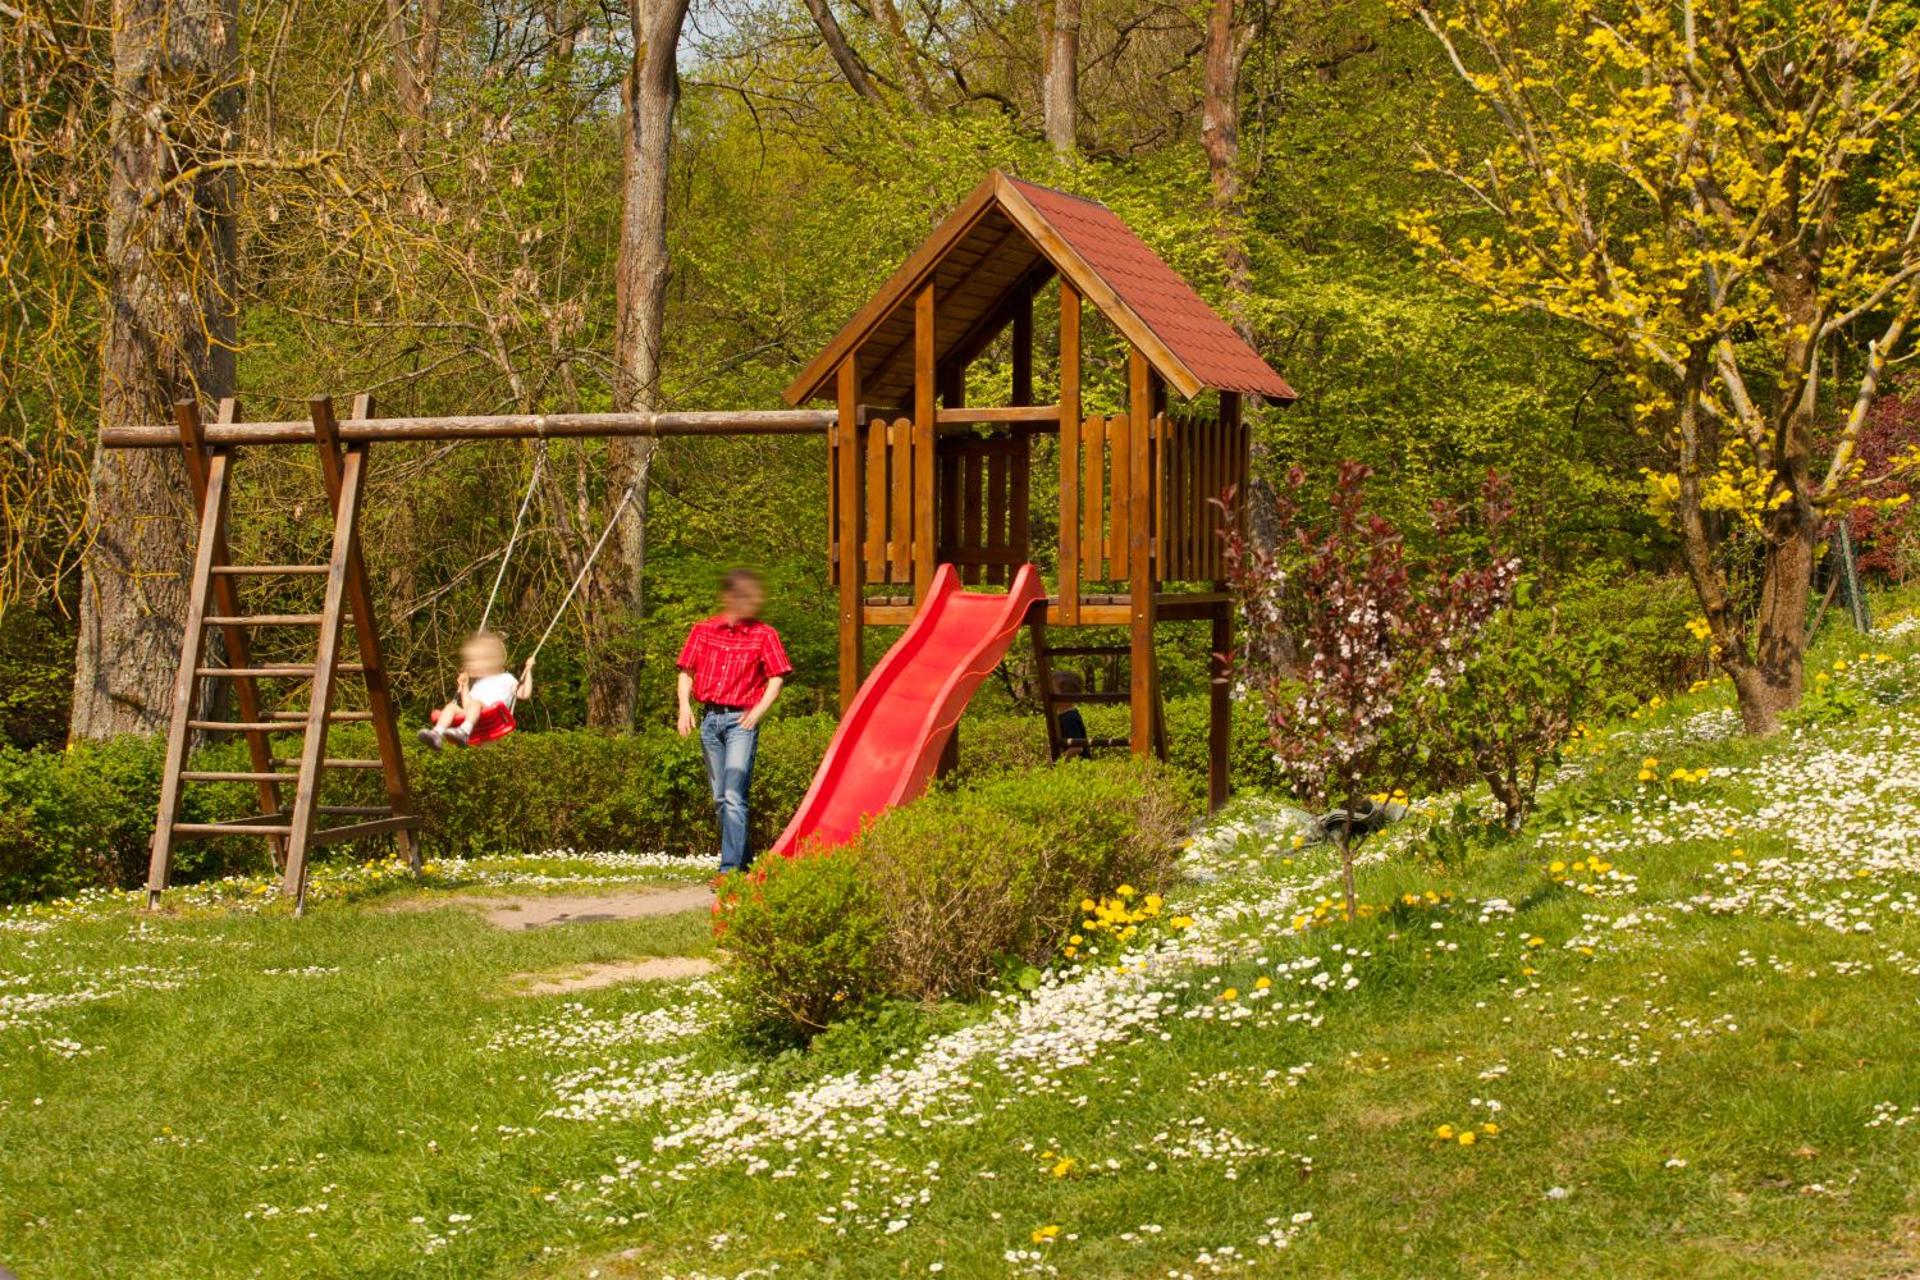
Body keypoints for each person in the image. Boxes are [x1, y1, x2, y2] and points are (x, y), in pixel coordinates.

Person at [676, 568, 792, 872]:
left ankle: (729, 870)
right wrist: (683, 707)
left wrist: (757, 713)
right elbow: (686, 671)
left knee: (733, 794)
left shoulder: (765, 634)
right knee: (720, 798)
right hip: (710, 720)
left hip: (741, 722)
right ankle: (744, 863)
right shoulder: (703, 630)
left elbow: (777, 678)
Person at [418, 631, 533, 750]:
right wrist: (465, 686)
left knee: (476, 703)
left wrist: (528, 671)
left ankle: (464, 731)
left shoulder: (507, 678)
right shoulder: (479, 683)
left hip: (493, 716)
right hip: (474, 715)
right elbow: (467, 705)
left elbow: (524, 694)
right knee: (451, 706)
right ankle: (436, 733)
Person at [1052, 669, 1092, 759]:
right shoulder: (1062, 716)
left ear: (1064, 695)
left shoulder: (1069, 718)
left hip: (1079, 767)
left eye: (1053, 690)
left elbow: (1077, 748)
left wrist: (1058, 760)